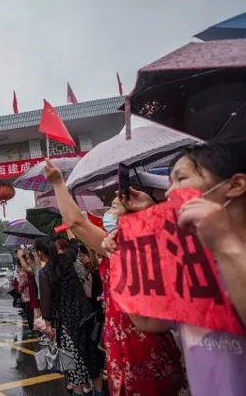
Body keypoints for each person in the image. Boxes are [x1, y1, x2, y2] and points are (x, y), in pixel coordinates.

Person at [103, 140, 246, 396]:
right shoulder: (192, 266)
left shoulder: (229, 251)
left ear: (235, 185)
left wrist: (224, 242)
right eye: (170, 183)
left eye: (181, 179)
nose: (169, 194)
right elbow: (147, 320)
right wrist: (127, 252)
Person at [44, 159, 184, 396]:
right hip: (123, 343)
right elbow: (75, 222)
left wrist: (58, 182)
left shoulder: (143, 246)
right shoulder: (117, 246)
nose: (108, 212)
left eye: (113, 208)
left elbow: (77, 222)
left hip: (145, 343)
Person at [39, 234, 100, 396]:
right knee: (93, 359)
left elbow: (46, 302)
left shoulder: (45, 273)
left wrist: (48, 325)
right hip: (85, 315)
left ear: (40, 253)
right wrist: (71, 229)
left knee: (74, 367)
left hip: (66, 323)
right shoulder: (67, 259)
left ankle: (78, 392)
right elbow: (74, 243)